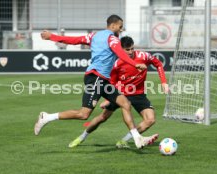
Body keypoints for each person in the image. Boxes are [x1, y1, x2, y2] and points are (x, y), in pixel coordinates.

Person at [34, 14, 155, 149]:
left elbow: (73, 40)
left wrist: (52, 37)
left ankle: (137, 138)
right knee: (83, 114)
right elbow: (120, 53)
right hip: (96, 77)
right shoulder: (112, 38)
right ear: (113, 25)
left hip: (102, 80)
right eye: (120, 27)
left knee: (125, 103)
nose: (121, 30)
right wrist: (135, 64)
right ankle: (47, 117)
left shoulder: (94, 35)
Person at [68, 36, 169, 148]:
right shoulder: (116, 63)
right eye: (127, 49)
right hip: (121, 94)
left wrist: (164, 82)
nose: (131, 52)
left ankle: (124, 141)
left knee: (150, 120)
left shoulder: (143, 56)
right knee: (102, 118)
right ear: (121, 49)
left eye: (132, 48)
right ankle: (82, 137)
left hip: (138, 94)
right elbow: (111, 83)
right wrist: (108, 99)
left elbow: (158, 64)